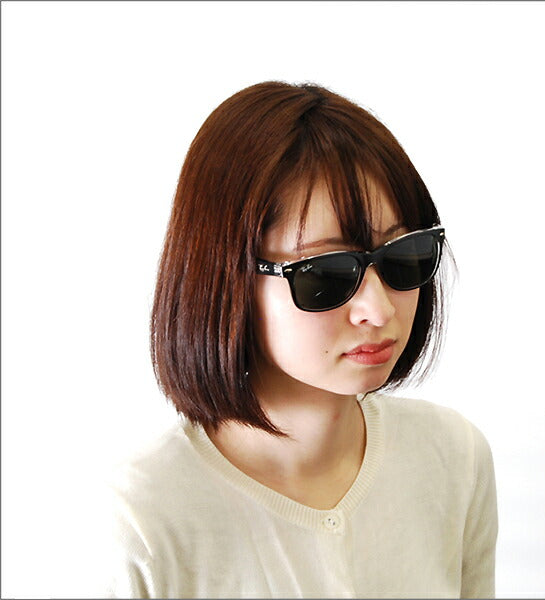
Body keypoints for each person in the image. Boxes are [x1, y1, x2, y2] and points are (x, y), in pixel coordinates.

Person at [99, 81, 498, 598]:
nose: (378, 309)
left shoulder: (453, 460)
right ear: (226, 278)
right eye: (326, 273)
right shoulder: (142, 518)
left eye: (404, 256)